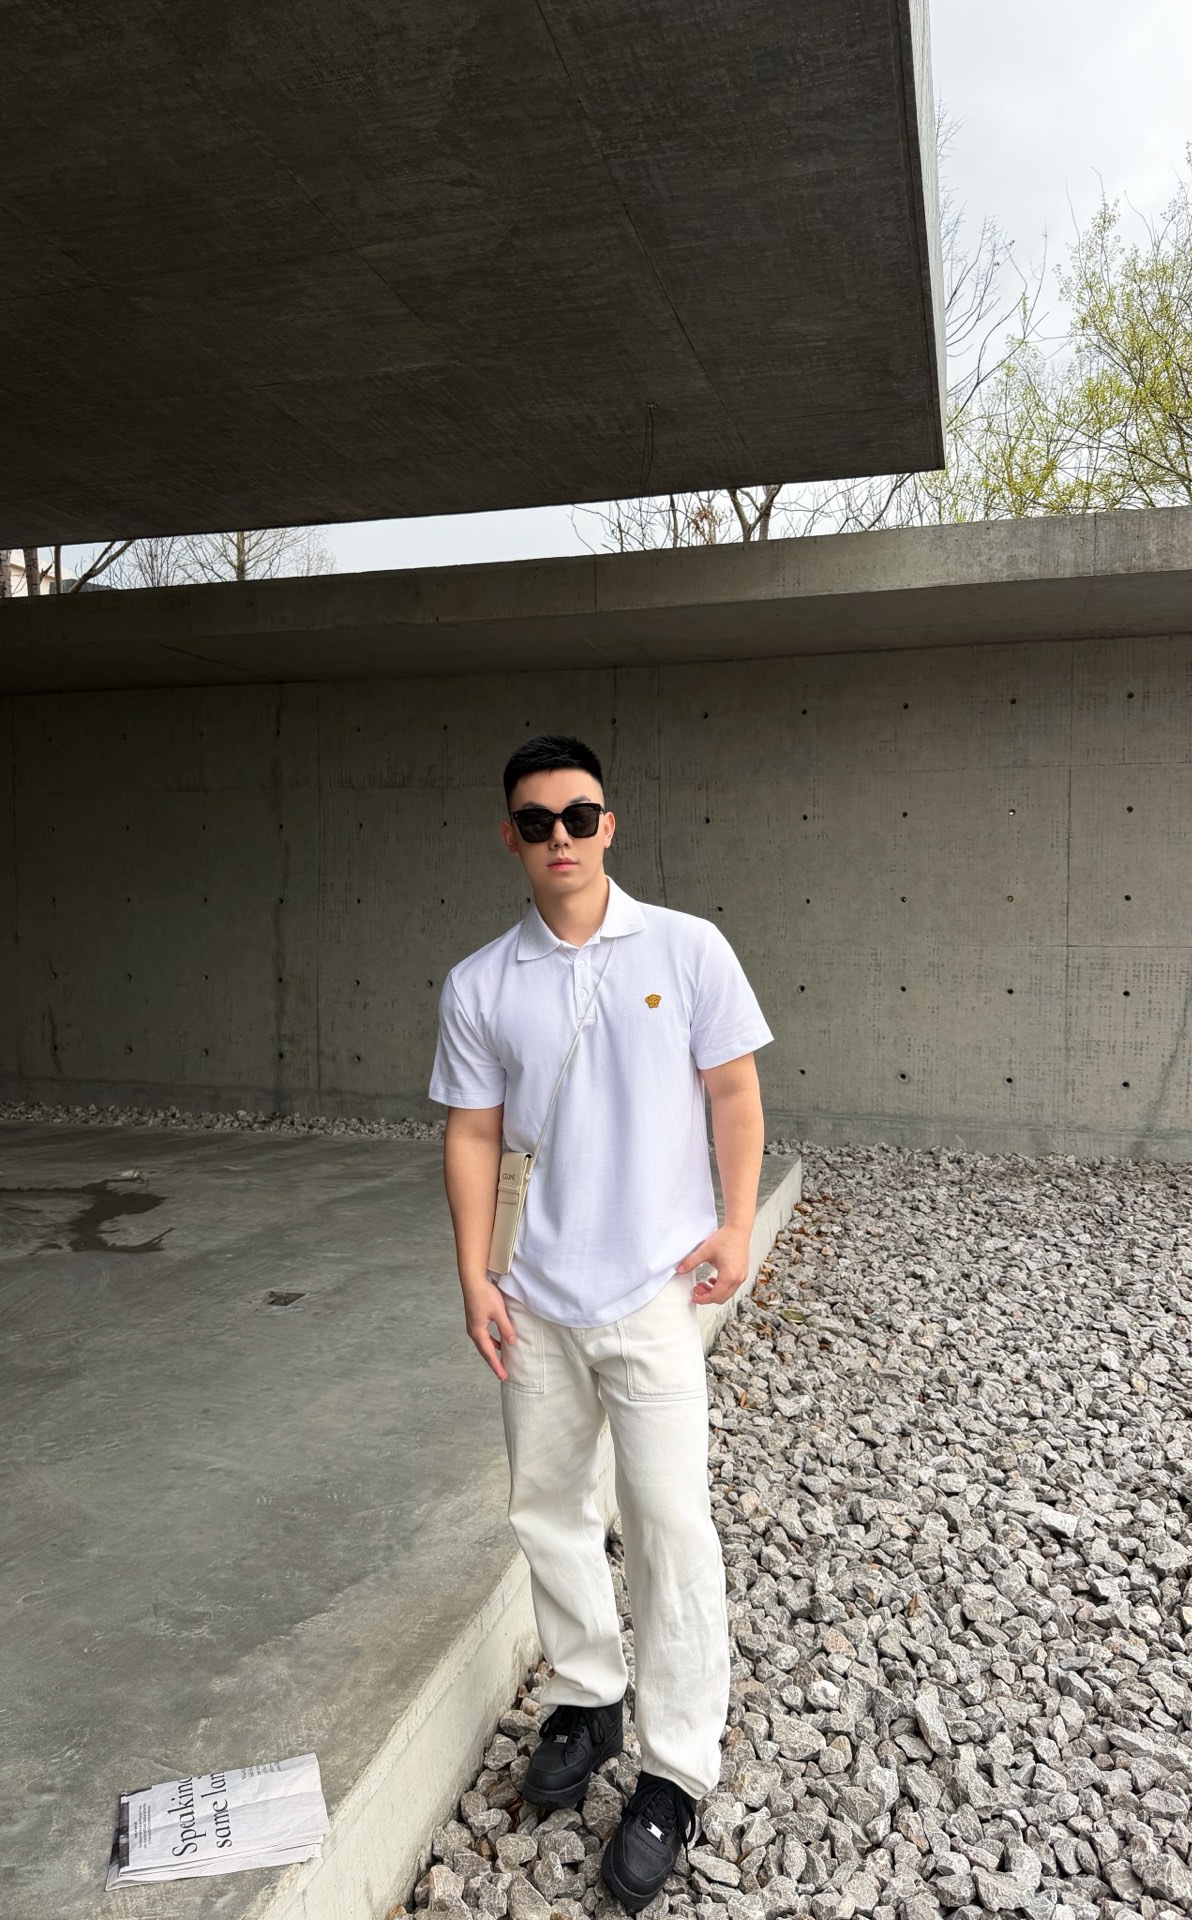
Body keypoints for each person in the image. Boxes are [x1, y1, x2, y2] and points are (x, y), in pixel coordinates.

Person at [428, 733, 773, 1914]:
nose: (561, 837)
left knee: (670, 1525)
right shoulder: (481, 983)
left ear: (610, 825)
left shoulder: (687, 947)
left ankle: (676, 1771)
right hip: (534, 1296)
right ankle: (587, 1696)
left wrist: (736, 1225)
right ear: (510, 837)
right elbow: (473, 1131)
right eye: (537, 821)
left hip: (654, 1294)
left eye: (580, 815)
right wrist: (474, 1275)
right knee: (547, 1509)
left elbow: (734, 1090)